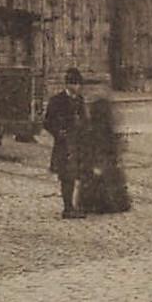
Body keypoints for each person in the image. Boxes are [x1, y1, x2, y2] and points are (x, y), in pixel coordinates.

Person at [43, 68, 89, 219]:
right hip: (64, 144)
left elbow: (84, 119)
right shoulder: (57, 101)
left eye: (78, 84)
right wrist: (59, 133)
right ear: (68, 85)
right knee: (66, 177)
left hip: (78, 143)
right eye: (74, 84)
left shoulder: (79, 100)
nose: (77, 87)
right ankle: (68, 208)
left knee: (79, 175)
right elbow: (47, 122)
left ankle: (77, 206)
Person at [77, 98, 131, 214]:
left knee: (99, 181)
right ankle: (108, 203)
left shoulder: (92, 128)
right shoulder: (100, 129)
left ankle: (96, 203)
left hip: (101, 160)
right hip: (103, 160)